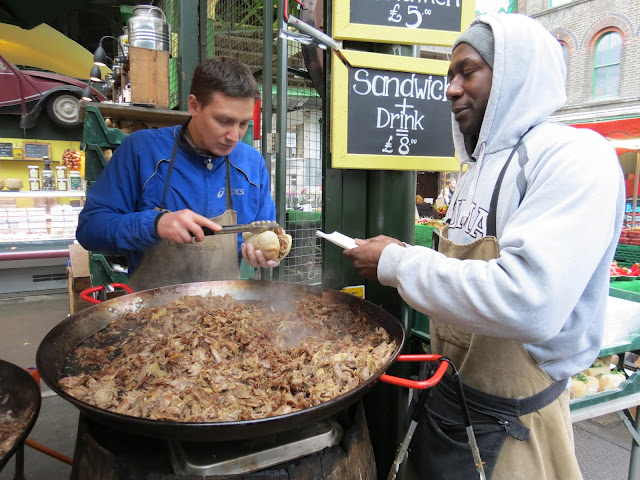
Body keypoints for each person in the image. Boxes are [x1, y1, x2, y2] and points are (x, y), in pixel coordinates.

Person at [344, 13, 625, 479]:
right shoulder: (477, 170)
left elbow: (527, 299)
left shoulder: (573, 157)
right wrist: (411, 255)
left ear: (516, 73)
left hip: (514, 424)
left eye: (468, 71)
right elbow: (469, 274)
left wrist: (397, 263)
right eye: (449, 76)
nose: (451, 89)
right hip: (448, 403)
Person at [76, 56, 279, 291]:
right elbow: (90, 229)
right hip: (153, 312)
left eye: (243, 124)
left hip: (226, 312)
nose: (234, 136)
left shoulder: (252, 164)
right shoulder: (142, 151)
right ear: (194, 105)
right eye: (224, 121)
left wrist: (264, 253)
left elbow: (265, 230)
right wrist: (155, 224)